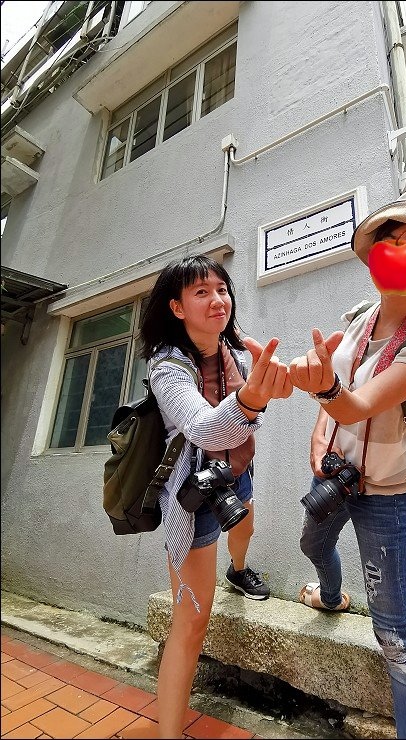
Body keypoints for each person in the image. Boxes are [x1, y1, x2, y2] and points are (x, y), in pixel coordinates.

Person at [289, 184, 406, 739]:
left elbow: (357, 402)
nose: (396, 251)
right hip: (335, 478)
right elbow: (336, 397)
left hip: (387, 497)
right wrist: (319, 430)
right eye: (389, 241)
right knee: (311, 544)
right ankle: (332, 596)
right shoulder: (360, 318)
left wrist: (323, 391)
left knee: (396, 635)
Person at [139, 255, 292, 739]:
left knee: (246, 523)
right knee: (192, 621)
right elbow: (204, 428)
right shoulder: (167, 366)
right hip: (194, 494)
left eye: (221, 289)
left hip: (236, 471)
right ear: (177, 307)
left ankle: (238, 570)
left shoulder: (236, 352)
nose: (217, 300)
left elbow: (253, 416)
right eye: (201, 292)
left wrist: (270, 391)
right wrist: (253, 399)